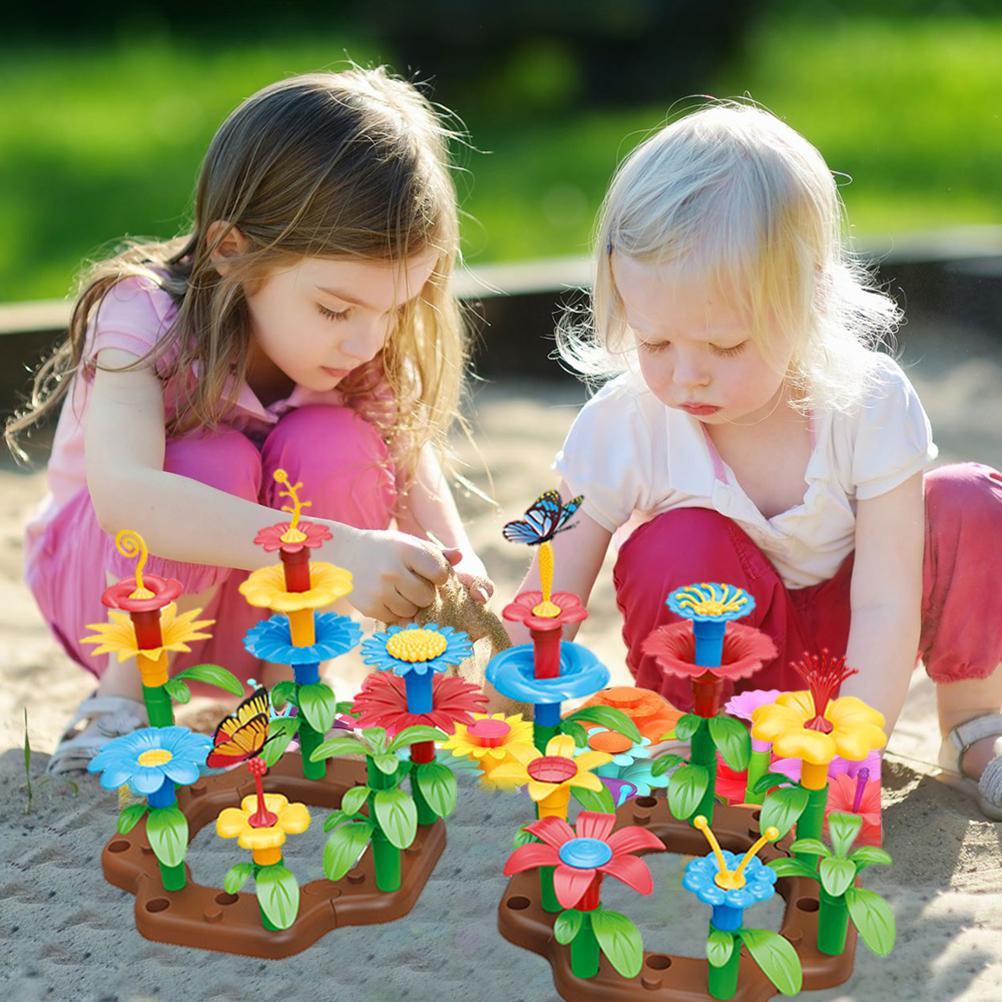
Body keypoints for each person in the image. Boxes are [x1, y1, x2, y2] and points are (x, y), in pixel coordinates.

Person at [508, 101, 1002, 820]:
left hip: (860, 653)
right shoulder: (626, 421)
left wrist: (850, 758)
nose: (686, 377)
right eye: (654, 343)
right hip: (723, 664)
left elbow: (887, 601)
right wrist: (500, 698)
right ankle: (700, 743)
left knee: (971, 502)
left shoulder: (868, 402)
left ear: (809, 299)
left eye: (726, 345)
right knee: (673, 542)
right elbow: (553, 575)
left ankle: (973, 726)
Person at [9, 68, 493, 773]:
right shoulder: (143, 319)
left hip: (262, 616)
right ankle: (123, 698)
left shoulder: (361, 349)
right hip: (115, 600)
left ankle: (292, 688)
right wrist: (339, 550)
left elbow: (409, 466)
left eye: (396, 308)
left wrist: (457, 560)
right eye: (336, 309)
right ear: (232, 249)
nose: (367, 341)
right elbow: (128, 500)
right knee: (212, 461)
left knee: (339, 445)